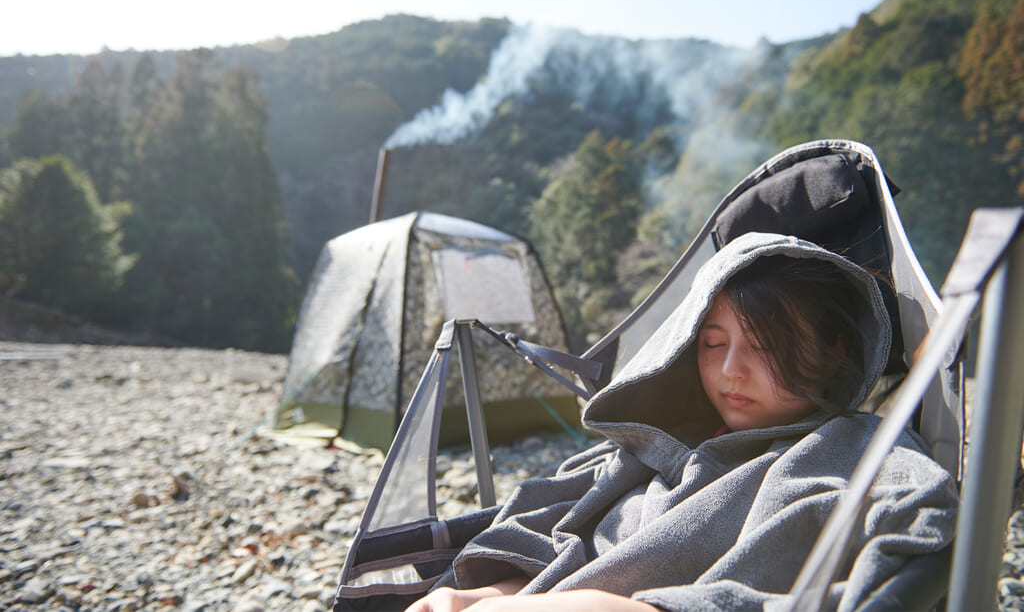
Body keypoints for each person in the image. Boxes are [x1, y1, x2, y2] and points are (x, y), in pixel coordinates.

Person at [407, 232, 958, 612]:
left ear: (837, 351)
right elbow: (559, 543)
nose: (730, 370)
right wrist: (488, 595)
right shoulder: (655, 447)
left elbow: (919, 531)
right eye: (712, 343)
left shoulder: (857, 448)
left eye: (766, 346)